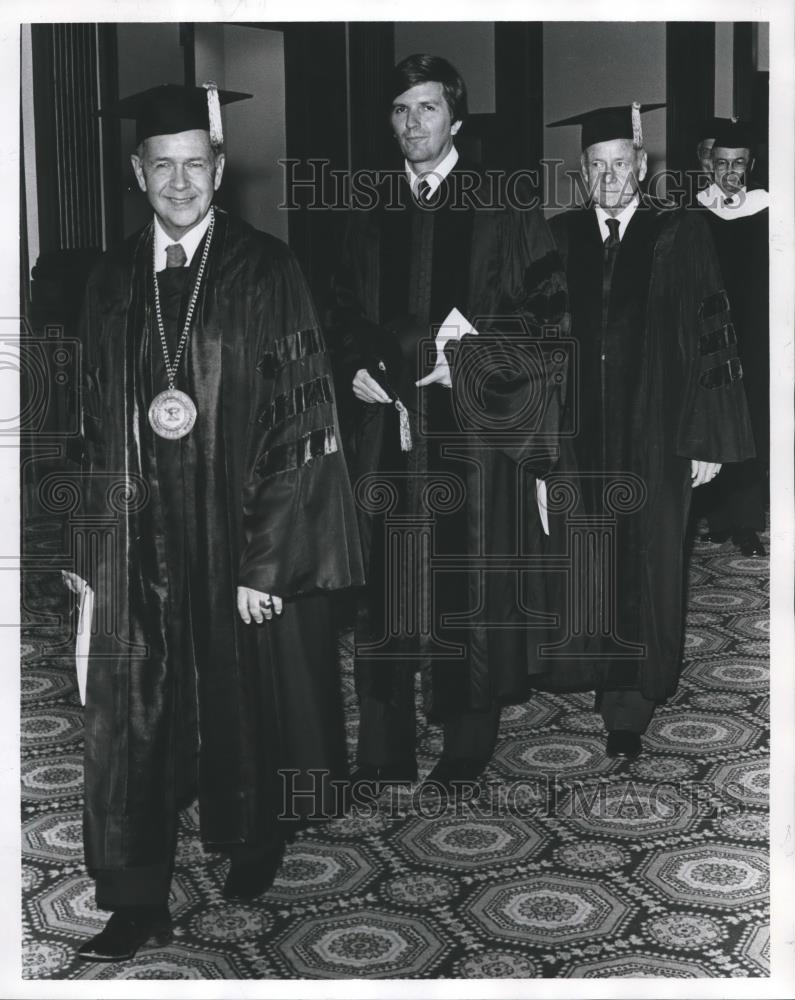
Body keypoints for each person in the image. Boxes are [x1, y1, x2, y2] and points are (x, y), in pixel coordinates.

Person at [63, 83, 363, 961]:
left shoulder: (266, 268)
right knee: (130, 712)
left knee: (245, 692)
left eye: (197, 165)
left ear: (221, 170)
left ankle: (253, 835)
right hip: (135, 534)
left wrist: (268, 562)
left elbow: (303, 421)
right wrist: (85, 546)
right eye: (164, 166)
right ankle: (134, 891)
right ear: (137, 172)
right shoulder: (111, 276)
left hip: (235, 531)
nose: (181, 182)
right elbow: (85, 418)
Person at [327, 54, 568, 795]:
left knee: (470, 579)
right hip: (388, 432)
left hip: (472, 430)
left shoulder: (504, 205)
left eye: (426, 109)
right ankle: (385, 738)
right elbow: (336, 316)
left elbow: (550, 321)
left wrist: (467, 363)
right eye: (400, 110)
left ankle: (466, 738)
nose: (412, 124)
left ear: (455, 118)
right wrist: (353, 370)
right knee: (388, 577)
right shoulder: (367, 209)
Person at [543, 103, 754, 758]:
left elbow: (710, 332)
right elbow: (538, 341)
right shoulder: (559, 237)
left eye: (620, 164)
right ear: (581, 172)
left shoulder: (680, 233)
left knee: (653, 558)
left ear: (641, 165)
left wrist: (706, 440)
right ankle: (603, 675)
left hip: (658, 433)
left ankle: (631, 704)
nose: (609, 178)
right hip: (581, 436)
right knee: (591, 557)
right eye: (595, 167)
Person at [694, 117, 769, 556]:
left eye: (738, 163)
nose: (729, 171)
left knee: (751, 422)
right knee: (715, 419)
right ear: (711, 165)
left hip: (755, 334)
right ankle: (717, 517)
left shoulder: (768, 209)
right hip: (710, 334)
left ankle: (746, 523)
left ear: (750, 165)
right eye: (721, 162)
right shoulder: (694, 211)